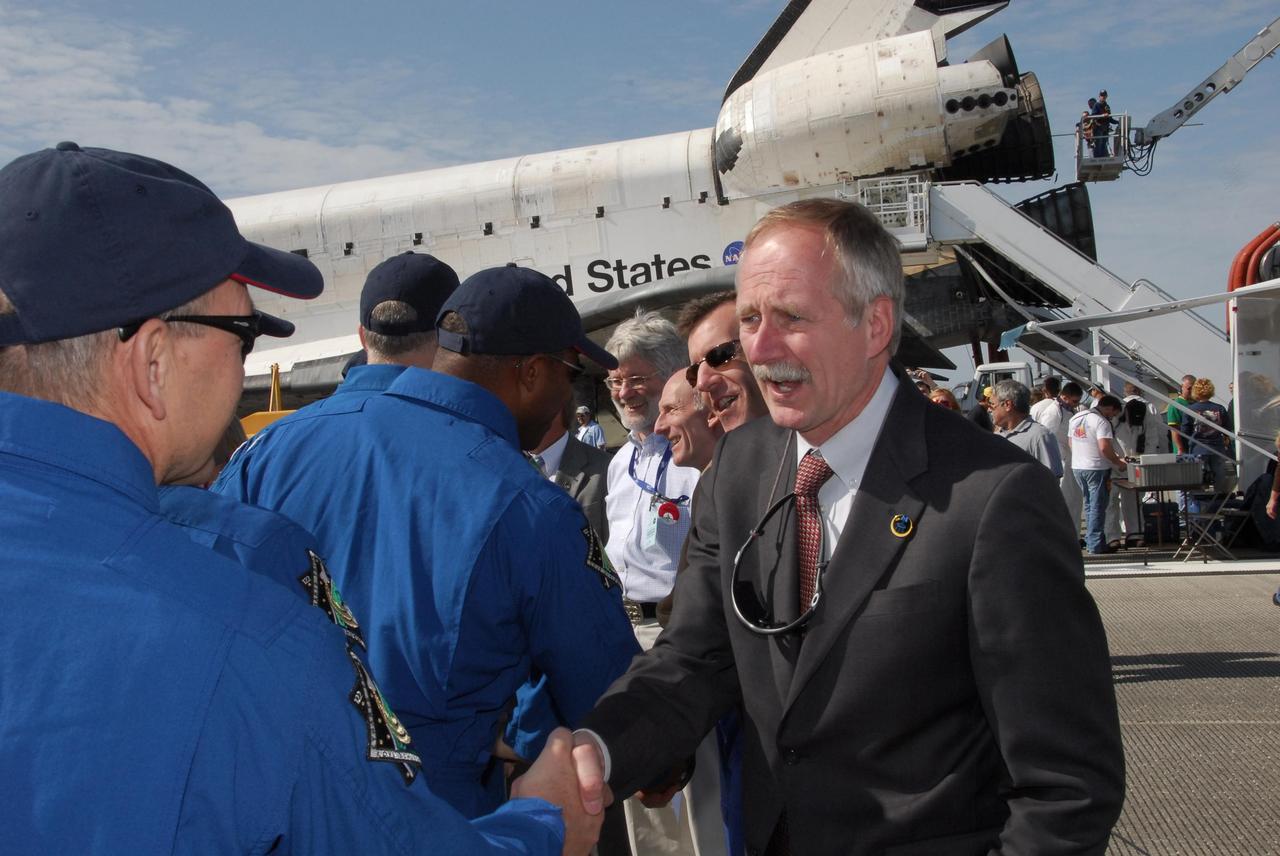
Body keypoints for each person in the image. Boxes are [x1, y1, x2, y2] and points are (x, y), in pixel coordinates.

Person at [0, 142, 592, 854]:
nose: (245, 366)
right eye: (244, 334)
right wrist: (545, 822)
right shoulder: (247, 639)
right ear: (151, 362)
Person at [572, 198, 1124, 855]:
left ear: (875, 325)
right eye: (750, 319)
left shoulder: (994, 501)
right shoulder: (739, 471)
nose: (761, 348)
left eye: (791, 319)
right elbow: (693, 658)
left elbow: (1067, 787)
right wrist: (596, 752)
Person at [214, 264, 639, 820]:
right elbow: (607, 694)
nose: (570, 389)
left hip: (272, 805)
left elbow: (205, 611)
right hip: (436, 817)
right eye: (570, 371)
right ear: (533, 372)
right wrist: (650, 762)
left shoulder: (266, 451)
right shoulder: (528, 505)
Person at [603, 310, 702, 630]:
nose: (623, 392)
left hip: (674, 629)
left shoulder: (697, 458)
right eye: (615, 381)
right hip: (617, 624)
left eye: (636, 379)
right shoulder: (619, 463)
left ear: (674, 374)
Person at [677, 290, 768, 432]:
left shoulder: (811, 445)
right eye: (694, 372)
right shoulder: (727, 454)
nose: (702, 383)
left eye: (719, 355)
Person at [533, 399, 612, 541]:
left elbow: (600, 445)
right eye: (579, 416)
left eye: (583, 415)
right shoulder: (506, 465)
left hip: (585, 463)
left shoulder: (606, 466)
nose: (580, 418)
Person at [1070, 394, 1127, 554]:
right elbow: (1104, 447)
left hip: (1078, 466)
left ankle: (1092, 540)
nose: (1113, 417)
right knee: (1097, 506)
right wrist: (1118, 463)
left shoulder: (1076, 417)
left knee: (1089, 505)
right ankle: (1095, 544)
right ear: (1109, 408)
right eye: (1113, 413)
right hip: (1096, 467)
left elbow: (1070, 442)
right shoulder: (1101, 421)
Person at [1032, 380, 1084, 537]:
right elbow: (1047, 436)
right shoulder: (1053, 412)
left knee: (1075, 499)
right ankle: (1065, 535)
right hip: (1061, 461)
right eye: (1074, 401)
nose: (1076, 405)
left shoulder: (1070, 410)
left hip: (1071, 459)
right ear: (1064, 396)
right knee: (1066, 499)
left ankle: (1073, 534)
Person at [991, 379, 1063, 477]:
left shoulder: (1040, 436)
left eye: (993, 405)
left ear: (1007, 405)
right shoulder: (997, 435)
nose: (989, 410)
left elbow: (1052, 479)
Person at [655, 370, 724, 470]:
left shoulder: (748, 478)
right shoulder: (713, 482)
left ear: (712, 414)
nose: (657, 428)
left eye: (671, 410)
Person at [1181, 377, 1232, 489]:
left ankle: (1201, 501)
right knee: (1219, 476)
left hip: (1197, 448)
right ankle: (1219, 499)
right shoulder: (1219, 408)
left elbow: (1184, 431)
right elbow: (1228, 428)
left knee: (1198, 479)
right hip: (1217, 448)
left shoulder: (1190, 409)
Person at [1167, 374, 1195, 453]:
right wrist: (1180, 448)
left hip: (1196, 448)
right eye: (1189, 389)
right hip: (1184, 449)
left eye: (1194, 389)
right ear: (1182, 387)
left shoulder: (1197, 404)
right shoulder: (1175, 405)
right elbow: (1174, 430)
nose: (1191, 391)